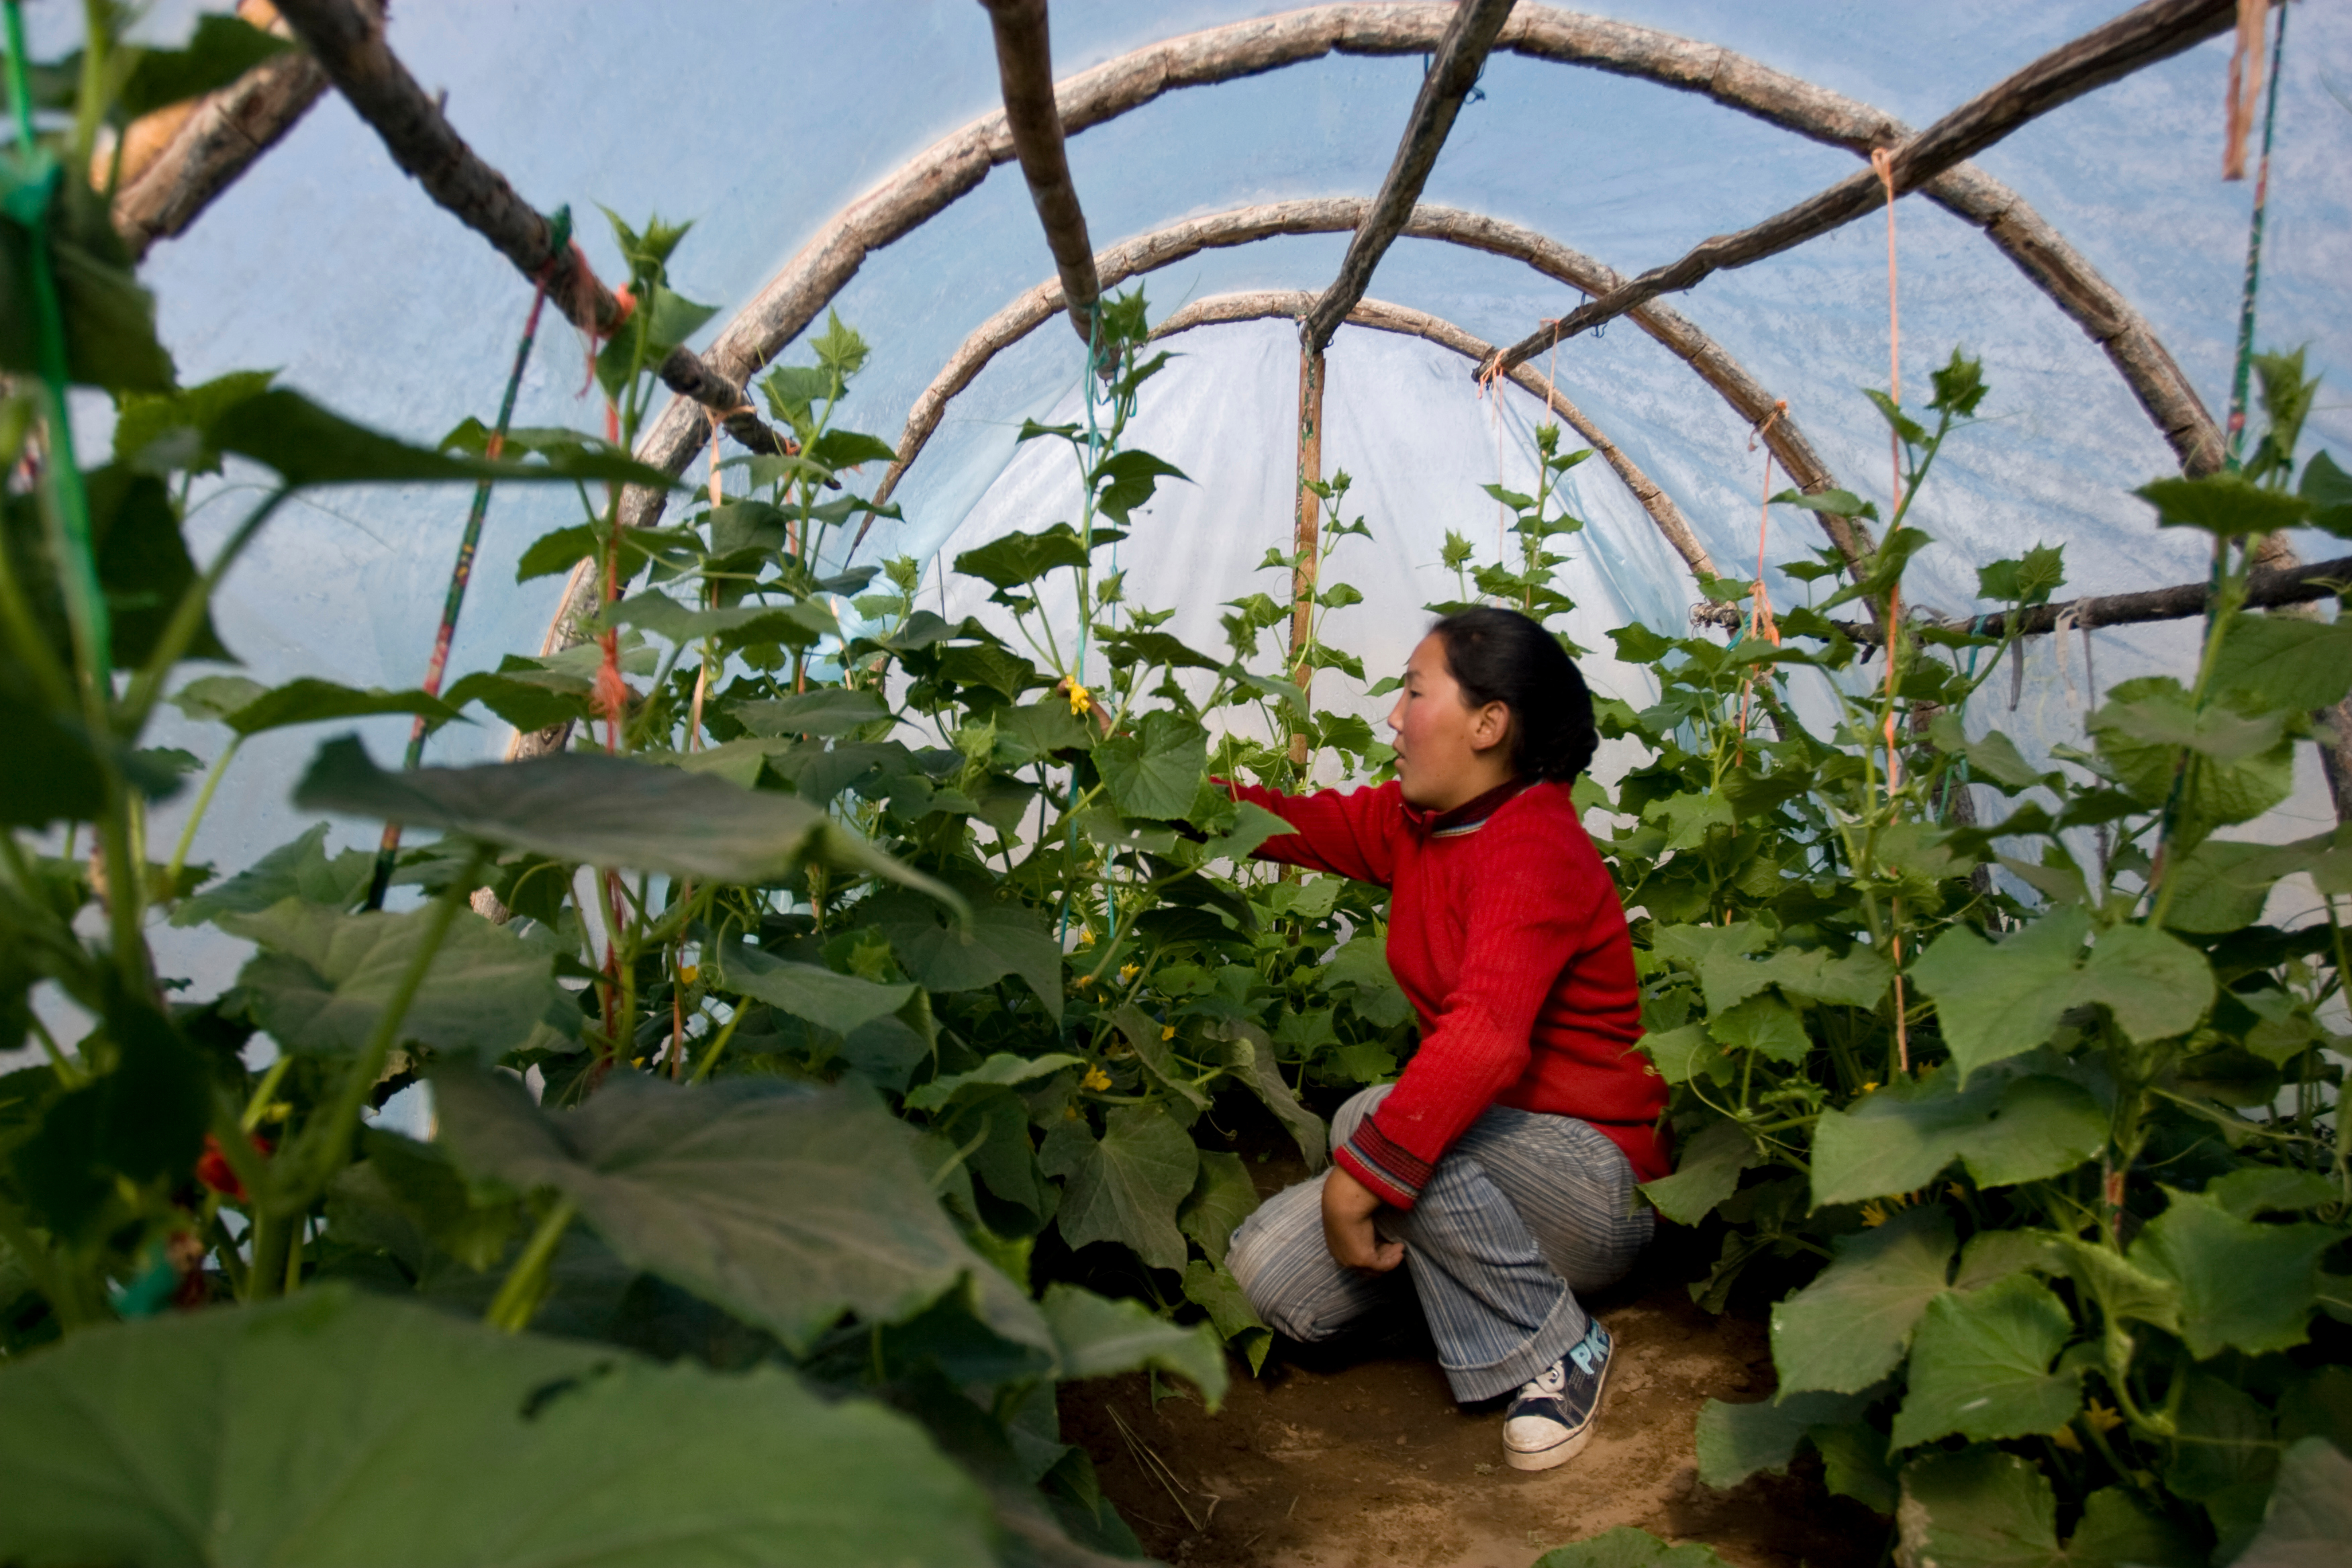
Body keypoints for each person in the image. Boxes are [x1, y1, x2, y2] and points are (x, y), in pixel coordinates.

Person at [1224, 605, 1666, 1472]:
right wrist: (1128, 776)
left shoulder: (1534, 844)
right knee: (1267, 1281)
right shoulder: (1419, 824)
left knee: (1370, 1125)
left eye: (1414, 691)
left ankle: (1559, 1346)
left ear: (1488, 723)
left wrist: (1357, 1188)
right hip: (1475, 1174)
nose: (1394, 715)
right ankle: (1468, 1284)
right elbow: (1286, 823)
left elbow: (1486, 1042)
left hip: (1593, 1183)